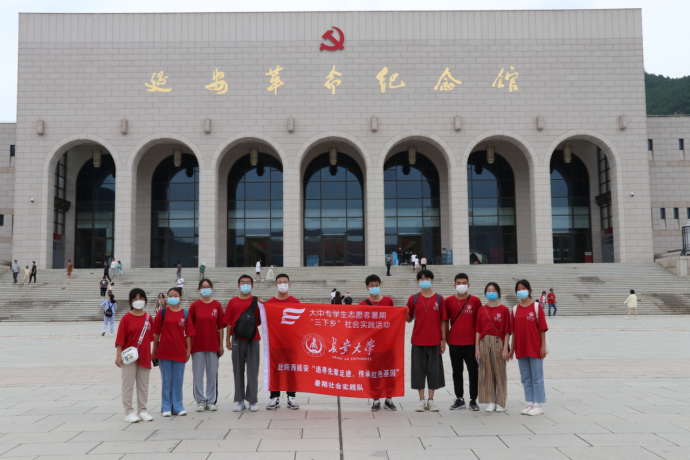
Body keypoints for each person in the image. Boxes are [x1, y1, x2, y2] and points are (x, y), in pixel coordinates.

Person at [406, 269, 446, 412]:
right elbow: (409, 319)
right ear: (418, 281)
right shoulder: (413, 298)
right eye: (422, 279)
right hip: (418, 340)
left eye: (427, 278)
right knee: (418, 371)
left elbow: (443, 320)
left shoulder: (439, 299)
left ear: (432, 280)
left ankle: (431, 400)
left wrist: (443, 339)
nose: (425, 281)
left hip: (434, 341)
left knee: (433, 371)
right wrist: (405, 312)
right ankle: (421, 400)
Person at [152, 287, 195, 417]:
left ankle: (178, 406)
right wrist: (153, 351)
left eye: (175, 295)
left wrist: (189, 350)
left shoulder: (185, 313)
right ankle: (166, 406)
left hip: (180, 350)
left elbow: (189, 334)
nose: (173, 298)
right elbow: (156, 333)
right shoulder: (162, 313)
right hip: (164, 351)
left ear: (180, 297)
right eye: (170, 296)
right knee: (166, 380)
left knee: (178, 380)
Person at [115, 288, 154, 423]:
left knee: (143, 385)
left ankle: (142, 410)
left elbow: (151, 338)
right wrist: (118, 356)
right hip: (129, 357)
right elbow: (120, 339)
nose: (138, 301)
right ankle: (129, 412)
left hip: (145, 355)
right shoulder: (126, 318)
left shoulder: (149, 318)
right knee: (128, 385)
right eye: (135, 299)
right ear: (130, 301)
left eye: (141, 298)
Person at [223, 274, 262, 412]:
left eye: (248, 282)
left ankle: (252, 400)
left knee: (253, 370)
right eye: (243, 283)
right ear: (238, 285)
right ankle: (239, 400)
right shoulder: (232, 302)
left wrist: (264, 305)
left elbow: (263, 319)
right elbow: (228, 321)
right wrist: (227, 339)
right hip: (237, 338)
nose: (245, 285)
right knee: (238, 370)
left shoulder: (257, 302)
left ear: (252, 285)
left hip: (253, 339)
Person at [444, 273, 482, 411]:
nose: (461, 285)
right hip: (454, 342)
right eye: (459, 283)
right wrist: (445, 338)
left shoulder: (475, 301)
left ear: (468, 285)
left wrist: (478, 344)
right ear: (454, 285)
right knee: (457, 371)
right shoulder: (448, 301)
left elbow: (479, 322)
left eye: (464, 283)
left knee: (473, 370)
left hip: (471, 343)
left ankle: (473, 400)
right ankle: (459, 399)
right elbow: (445, 321)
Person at [510, 279, 548, 416]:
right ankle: (530, 401)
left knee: (537, 376)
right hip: (521, 347)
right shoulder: (515, 309)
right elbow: (513, 332)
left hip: (535, 347)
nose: (521, 291)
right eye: (518, 289)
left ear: (529, 290)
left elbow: (542, 329)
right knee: (525, 377)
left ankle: (538, 403)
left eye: (523, 288)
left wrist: (543, 346)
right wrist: (512, 349)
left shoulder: (537, 307)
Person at [360, 274, 396, 411]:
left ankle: (389, 399)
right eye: (371, 285)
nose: (374, 287)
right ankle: (375, 399)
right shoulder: (362, 305)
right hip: (372, 346)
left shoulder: (388, 301)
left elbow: (395, 319)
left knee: (388, 372)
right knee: (374, 373)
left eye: (376, 285)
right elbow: (358, 326)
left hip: (388, 344)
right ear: (367, 288)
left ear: (380, 286)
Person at [265, 273, 300, 410]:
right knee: (275, 369)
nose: (282, 285)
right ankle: (274, 397)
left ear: (289, 285)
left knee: (291, 369)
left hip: (291, 343)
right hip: (275, 343)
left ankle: (291, 397)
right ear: (275, 285)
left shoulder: (295, 302)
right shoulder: (270, 302)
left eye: (285, 282)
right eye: (280, 282)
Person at [189, 279, 224, 412]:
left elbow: (220, 327)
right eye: (203, 287)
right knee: (198, 374)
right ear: (199, 289)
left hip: (213, 344)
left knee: (212, 373)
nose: (206, 289)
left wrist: (221, 345)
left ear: (212, 289)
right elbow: (189, 328)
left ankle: (210, 400)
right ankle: (200, 401)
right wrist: (189, 346)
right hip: (197, 345)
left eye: (208, 287)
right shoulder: (194, 306)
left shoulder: (217, 305)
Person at [475, 282, 511, 412]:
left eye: (494, 290)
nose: (491, 293)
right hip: (484, 343)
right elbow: (478, 330)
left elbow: (507, 331)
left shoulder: (504, 309)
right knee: (486, 372)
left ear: (498, 293)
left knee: (499, 372)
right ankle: (490, 401)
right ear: (485, 293)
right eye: (489, 290)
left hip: (498, 343)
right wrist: (477, 348)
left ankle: (501, 401)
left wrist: (505, 348)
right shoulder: (481, 310)